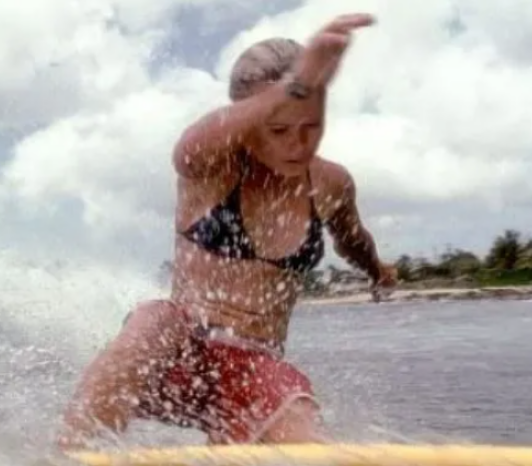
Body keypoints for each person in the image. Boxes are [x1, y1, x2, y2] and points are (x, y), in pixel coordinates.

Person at [58, 12, 397, 449]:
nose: (289, 139)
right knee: (155, 318)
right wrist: (293, 85)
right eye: (272, 120)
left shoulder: (332, 183)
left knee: (299, 421)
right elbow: (188, 147)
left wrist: (377, 270)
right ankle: (69, 452)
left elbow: (352, 239)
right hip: (177, 355)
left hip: (254, 367)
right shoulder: (211, 165)